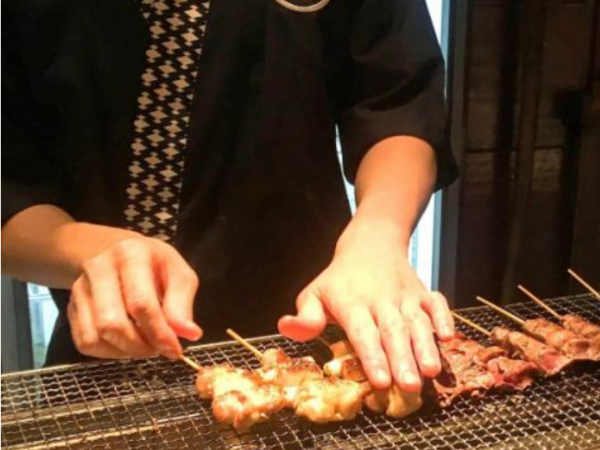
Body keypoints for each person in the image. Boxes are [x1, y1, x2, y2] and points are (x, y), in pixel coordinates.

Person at [2, 0, 458, 394]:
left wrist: (377, 235)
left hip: (313, 328)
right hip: (102, 351)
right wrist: (93, 253)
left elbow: (397, 101)